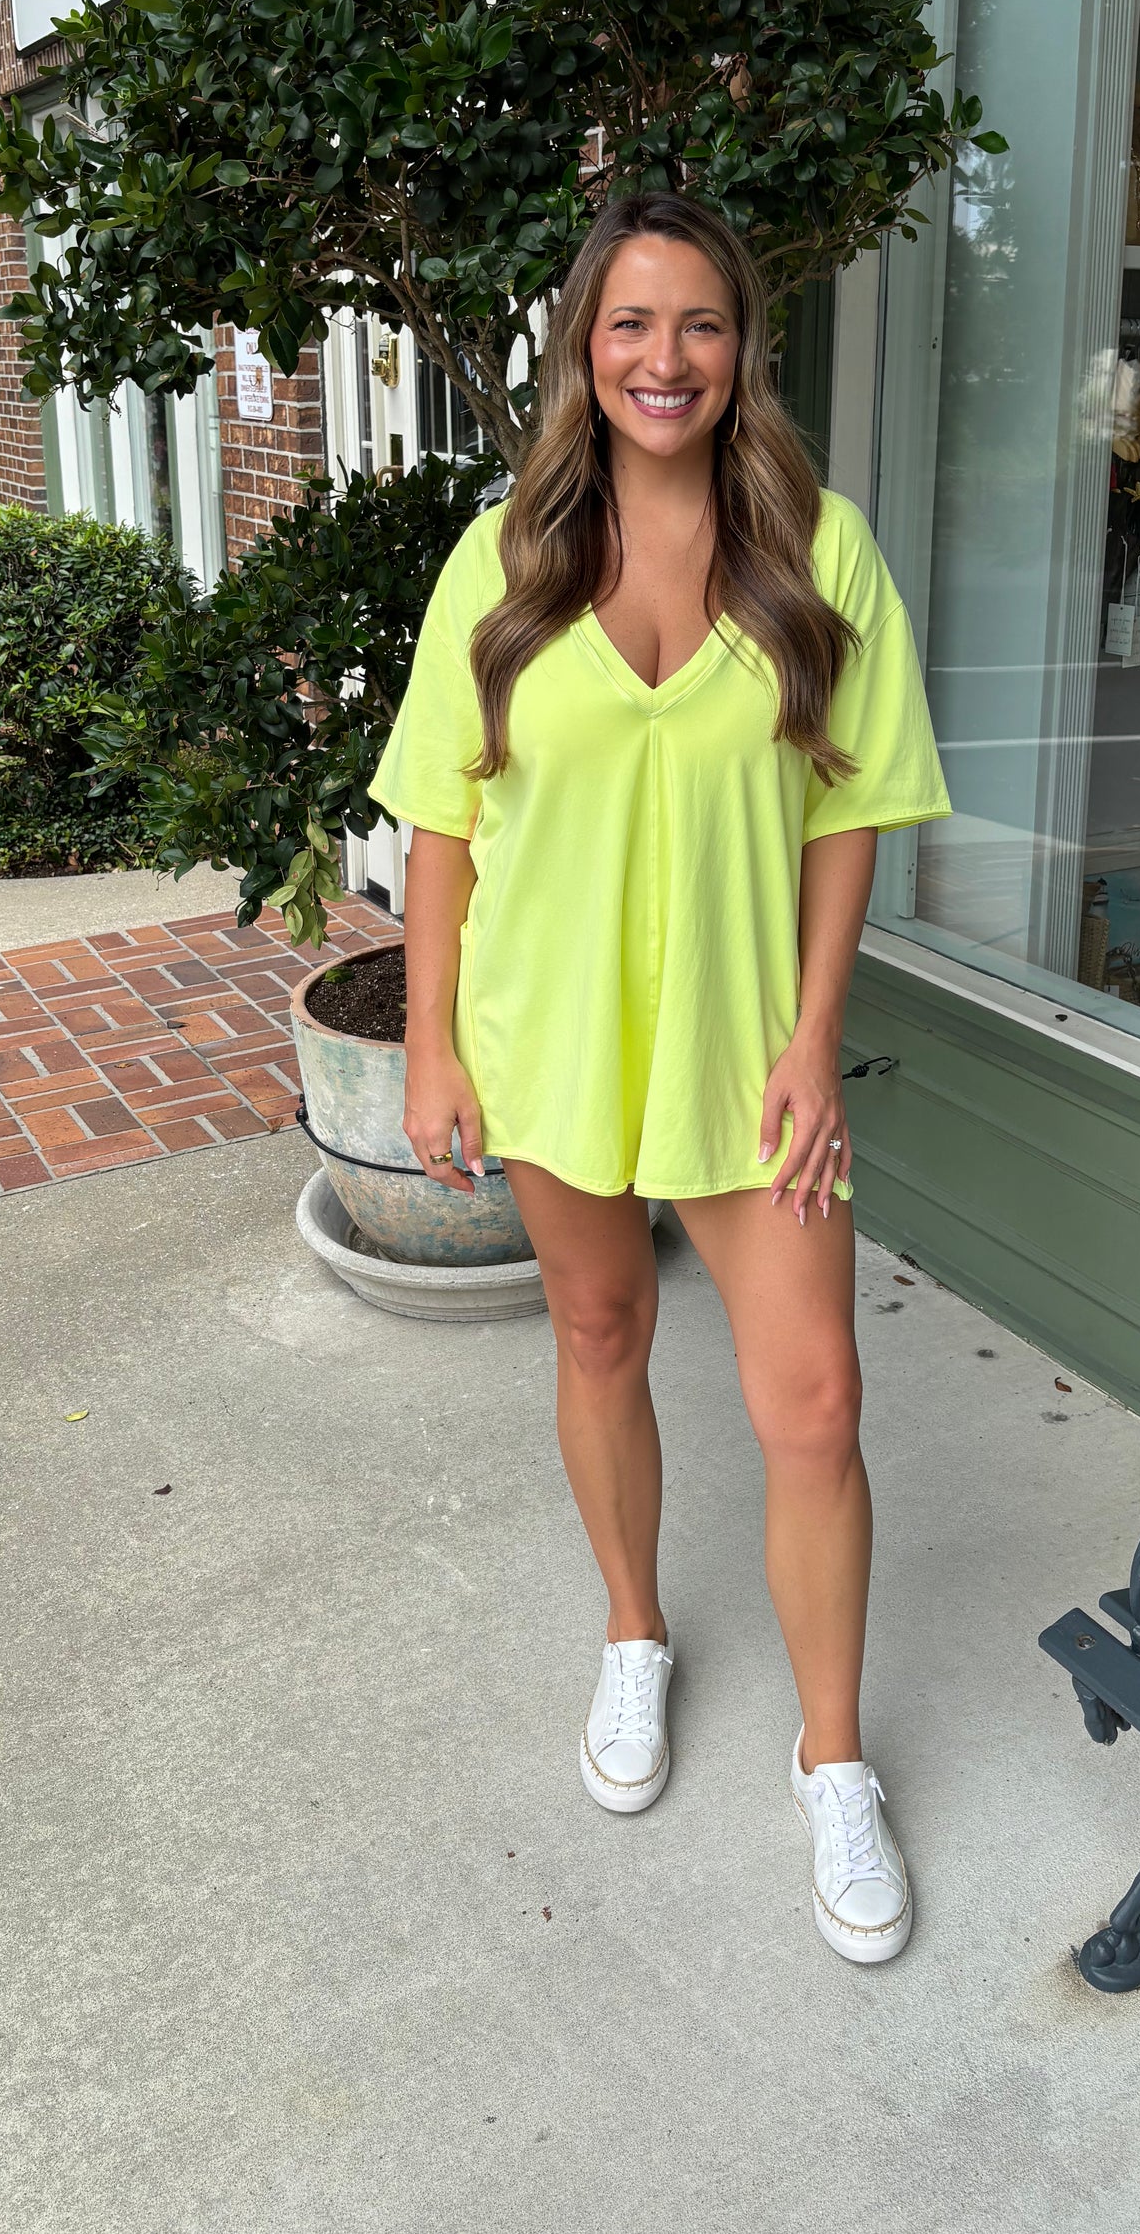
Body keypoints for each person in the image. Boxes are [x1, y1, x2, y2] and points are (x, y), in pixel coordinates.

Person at [368, 194, 950, 1963]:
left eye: (697, 324)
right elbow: (443, 823)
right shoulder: (501, 560)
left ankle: (831, 1757)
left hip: (741, 1054)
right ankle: (635, 1634)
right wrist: (431, 1035)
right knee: (599, 1335)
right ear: (582, 350)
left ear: (738, 350)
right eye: (630, 325)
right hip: (548, 1041)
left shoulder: (818, 549)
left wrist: (807, 1033)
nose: (664, 359)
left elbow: (849, 814)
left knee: (816, 1406)